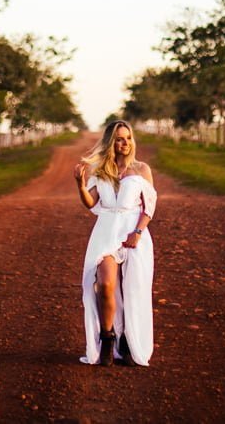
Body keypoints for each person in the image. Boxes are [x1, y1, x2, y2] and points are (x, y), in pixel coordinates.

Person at [73, 119, 157, 366]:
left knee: (133, 290)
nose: (125, 143)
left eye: (128, 138)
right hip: (106, 232)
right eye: (120, 138)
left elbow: (149, 206)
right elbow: (91, 202)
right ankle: (107, 337)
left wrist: (138, 232)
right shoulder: (101, 171)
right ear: (111, 142)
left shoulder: (142, 169)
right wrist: (80, 184)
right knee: (106, 284)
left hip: (133, 234)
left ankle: (128, 341)